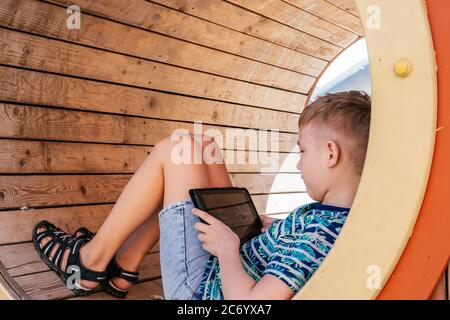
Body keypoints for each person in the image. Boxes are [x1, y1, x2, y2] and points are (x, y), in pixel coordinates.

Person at [32, 91, 371, 300]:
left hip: (201, 291)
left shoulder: (319, 236)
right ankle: (123, 270)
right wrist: (273, 229)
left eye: (302, 152)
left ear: (330, 154)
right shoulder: (331, 218)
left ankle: (88, 263)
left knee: (177, 150)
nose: (298, 164)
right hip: (228, 267)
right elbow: (297, 251)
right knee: (204, 149)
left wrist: (227, 250)